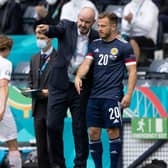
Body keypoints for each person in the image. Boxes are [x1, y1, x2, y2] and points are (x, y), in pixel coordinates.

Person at [36, 7, 99, 168]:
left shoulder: (96, 37)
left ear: (93, 22)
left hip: (81, 88)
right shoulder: (67, 26)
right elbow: (55, 30)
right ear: (77, 18)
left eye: (87, 22)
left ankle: (80, 164)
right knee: (52, 125)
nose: (83, 24)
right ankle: (58, 164)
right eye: (81, 20)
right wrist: (47, 28)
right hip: (59, 85)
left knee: (79, 128)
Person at [75, 12, 137, 168]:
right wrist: (78, 76)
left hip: (113, 96)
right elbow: (86, 64)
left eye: (103, 26)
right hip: (94, 96)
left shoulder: (124, 46)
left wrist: (128, 94)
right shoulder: (94, 44)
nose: (100, 28)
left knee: (112, 131)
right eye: (99, 25)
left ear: (113, 26)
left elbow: (132, 72)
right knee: (93, 132)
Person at [28, 32, 57, 168]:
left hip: (53, 107)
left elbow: (63, 84)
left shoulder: (59, 58)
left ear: (50, 39)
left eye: (42, 38)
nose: (39, 41)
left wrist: (50, 92)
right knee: (41, 147)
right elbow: (31, 80)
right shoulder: (34, 58)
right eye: (38, 38)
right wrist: (30, 91)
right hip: (38, 107)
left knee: (53, 145)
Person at [0, 35, 22, 168]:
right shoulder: (5, 63)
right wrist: (2, 108)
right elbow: (3, 86)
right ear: (7, 49)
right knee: (12, 143)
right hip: (1, 105)